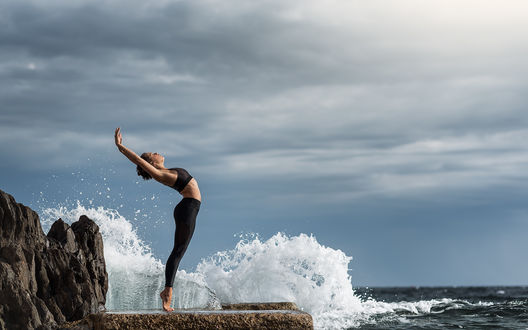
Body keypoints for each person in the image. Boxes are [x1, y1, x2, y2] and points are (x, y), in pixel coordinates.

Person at [114, 127, 202, 312]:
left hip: (188, 208)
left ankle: (167, 291)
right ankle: (167, 292)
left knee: (179, 250)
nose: (156, 153)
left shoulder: (167, 170)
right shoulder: (159, 174)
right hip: (187, 209)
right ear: (151, 163)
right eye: (152, 154)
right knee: (178, 251)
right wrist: (120, 147)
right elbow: (138, 160)